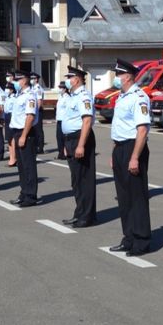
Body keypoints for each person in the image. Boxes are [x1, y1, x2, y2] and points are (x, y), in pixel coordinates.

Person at [108, 59, 152, 257]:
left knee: (137, 197)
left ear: (127, 76)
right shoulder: (122, 96)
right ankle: (129, 237)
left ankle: (141, 240)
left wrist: (134, 157)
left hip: (134, 148)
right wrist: (114, 152)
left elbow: (142, 130)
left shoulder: (139, 97)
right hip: (121, 148)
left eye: (118, 74)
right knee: (124, 197)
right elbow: (119, 127)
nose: (116, 78)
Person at [60, 66, 97, 228]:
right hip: (71, 139)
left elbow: (87, 121)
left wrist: (81, 145)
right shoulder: (72, 96)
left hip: (81, 138)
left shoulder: (84, 96)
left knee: (84, 179)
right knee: (76, 180)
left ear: (77, 79)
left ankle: (87, 216)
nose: (67, 80)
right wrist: (66, 144)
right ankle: (79, 212)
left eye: (69, 77)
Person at [8, 71, 39, 207]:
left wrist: (24, 135)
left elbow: (30, 117)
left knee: (28, 165)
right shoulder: (19, 95)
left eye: (17, 80)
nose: (15, 82)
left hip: (25, 132)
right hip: (17, 131)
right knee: (21, 166)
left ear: (24, 80)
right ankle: (24, 193)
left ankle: (31, 196)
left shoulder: (30, 96)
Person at [3, 71, 18, 167]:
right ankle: (12, 157)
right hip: (7, 116)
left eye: (8, 88)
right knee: (9, 138)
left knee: (12, 138)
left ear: (12, 90)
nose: (7, 89)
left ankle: (14, 158)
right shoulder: (8, 97)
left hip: (12, 116)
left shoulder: (14, 98)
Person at [30, 72, 46, 153]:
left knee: (38, 130)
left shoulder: (38, 88)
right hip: (34, 110)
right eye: (31, 78)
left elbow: (39, 101)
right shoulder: (32, 88)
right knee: (34, 129)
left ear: (36, 79)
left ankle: (40, 147)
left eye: (33, 78)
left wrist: (35, 112)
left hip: (38, 111)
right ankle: (36, 145)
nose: (31, 80)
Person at [55, 80, 69, 159]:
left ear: (65, 89)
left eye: (61, 87)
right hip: (59, 119)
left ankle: (65, 153)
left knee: (64, 138)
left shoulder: (67, 97)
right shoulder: (60, 96)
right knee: (59, 137)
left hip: (64, 120)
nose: (60, 89)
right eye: (59, 87)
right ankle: (60, 153)